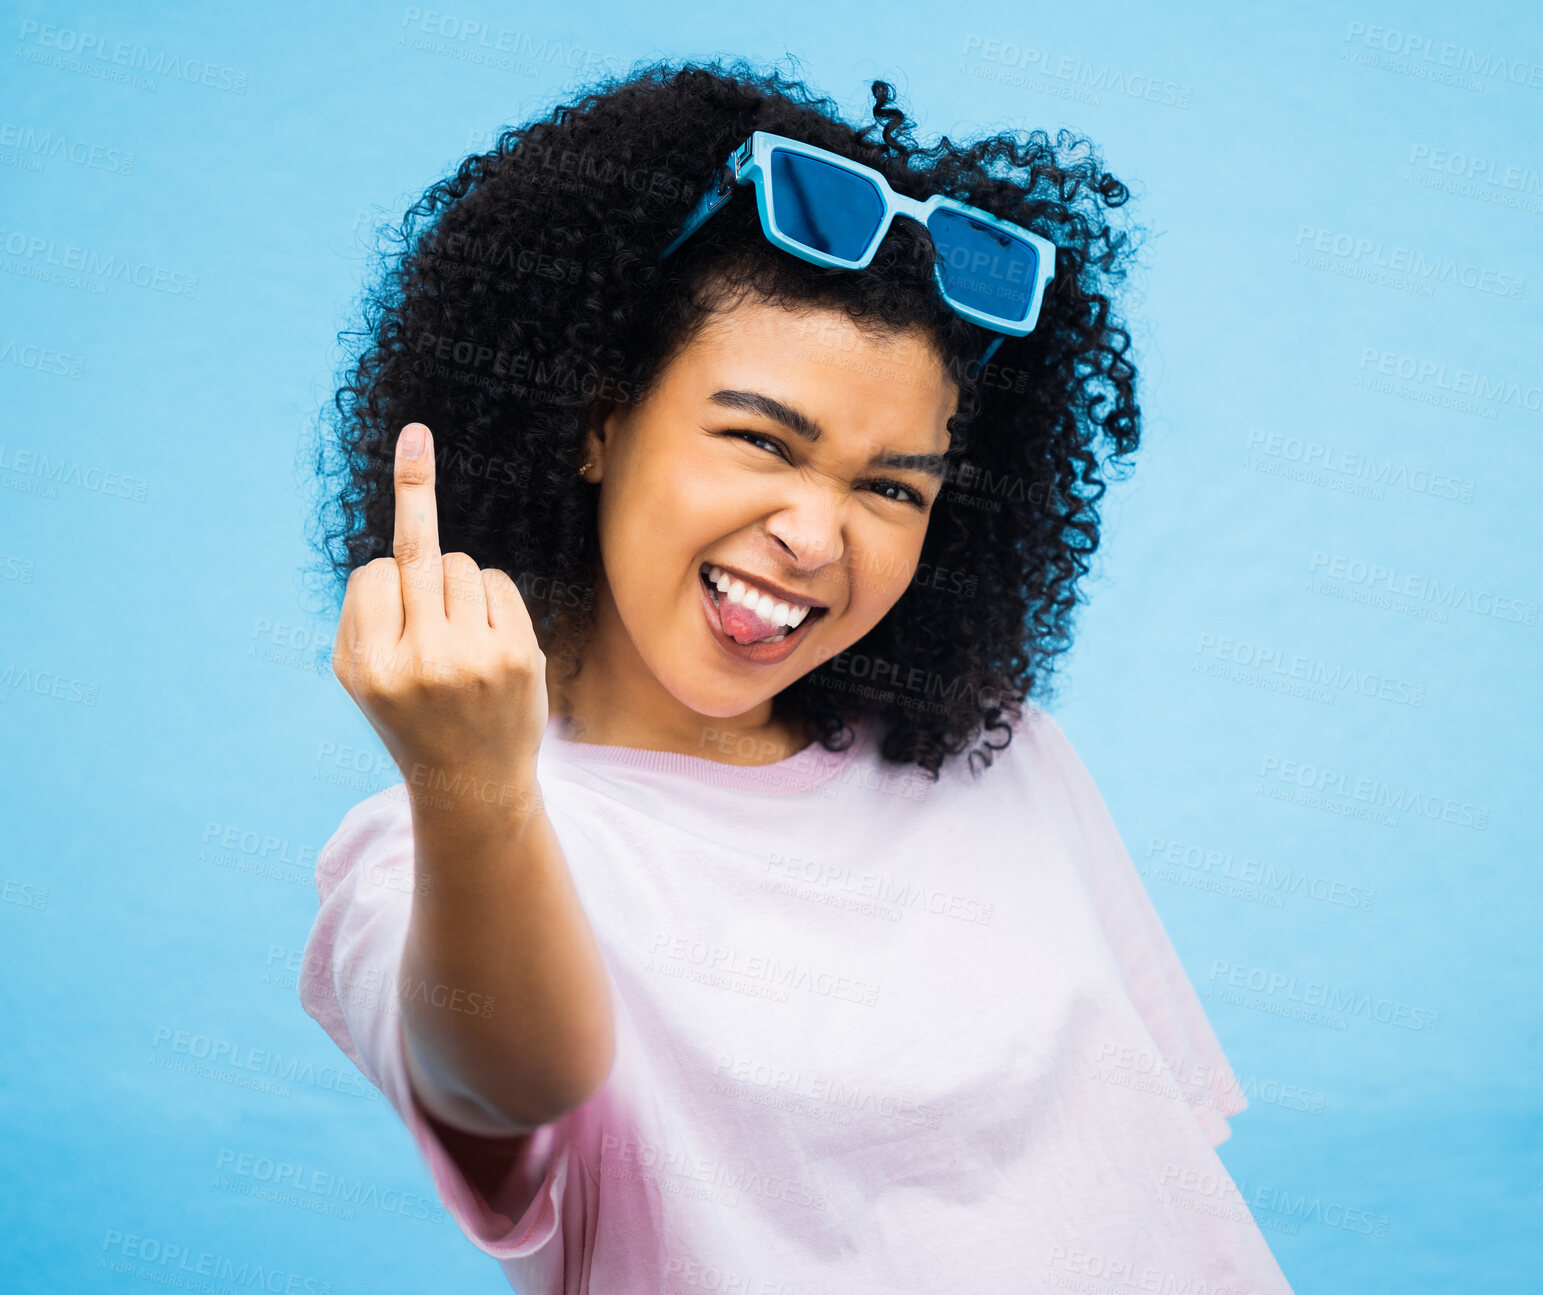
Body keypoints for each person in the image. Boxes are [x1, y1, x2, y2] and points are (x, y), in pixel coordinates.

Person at [298, 58, 1295, 1293]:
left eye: (889, 486)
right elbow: (504, 1101)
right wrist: (476, 794)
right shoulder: (442, 846)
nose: (818, 537)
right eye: (763, 440)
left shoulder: (1001, 753)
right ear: (596, 418)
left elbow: (1147, 1183)